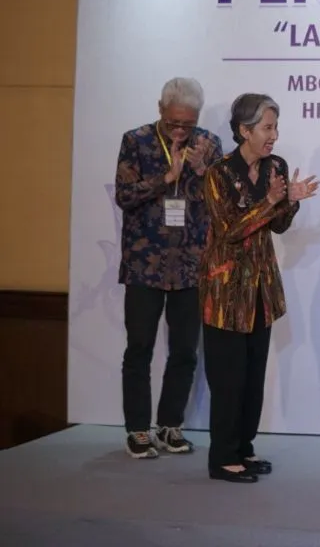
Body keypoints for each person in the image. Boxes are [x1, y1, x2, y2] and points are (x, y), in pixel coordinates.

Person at [199, 94, 319, 483]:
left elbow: (278, 226)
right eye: (267, 128)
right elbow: (229, 231)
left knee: (252, 378)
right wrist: (269, 201)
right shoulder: (218, 174)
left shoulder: (275, 167)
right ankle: (222, 458)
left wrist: (291, 202)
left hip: (261, 291)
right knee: (228, 379)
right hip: (225, 292)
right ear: (244, 130)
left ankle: (243, 449)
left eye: (275, 127)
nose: (274, 135)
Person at [115, 77, 223, 459]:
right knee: (139, 348)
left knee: (185, 351)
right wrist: (166, 179)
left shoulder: (208, 144)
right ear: (160, 109)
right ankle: (138, 429)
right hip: (144, 261)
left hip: (191, 264)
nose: (180, 131)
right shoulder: (136, 141)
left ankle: (169, 425)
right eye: (174, 122)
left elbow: (222, 203)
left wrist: (203, 170)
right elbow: (124, 195)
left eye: (188, 124)